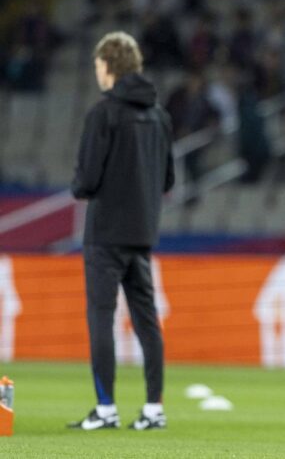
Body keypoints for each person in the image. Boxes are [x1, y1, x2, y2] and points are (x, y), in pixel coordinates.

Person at [69, 31, 174, 431]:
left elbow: (86, 180)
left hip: (105, 233)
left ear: (109, 65)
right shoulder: (160, 115)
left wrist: (86, 185)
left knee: (101, 317)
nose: (97, 73)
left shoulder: (104, 113)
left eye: (98, 65)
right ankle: (153, 409)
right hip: (143, 232)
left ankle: (106, 408)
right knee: (147, 320)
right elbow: (168, 179)